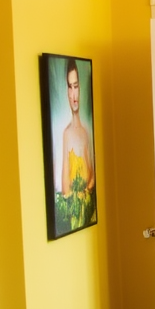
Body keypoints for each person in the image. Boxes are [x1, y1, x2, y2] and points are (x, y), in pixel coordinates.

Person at [59, 59, 95, 221]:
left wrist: (87, 190)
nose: (73, 95)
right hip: (75, 215)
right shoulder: (67, 134)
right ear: (67, 91)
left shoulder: (86, 133)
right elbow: (65, 188)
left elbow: (92, 175)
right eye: (70, 86)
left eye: (76, 86)